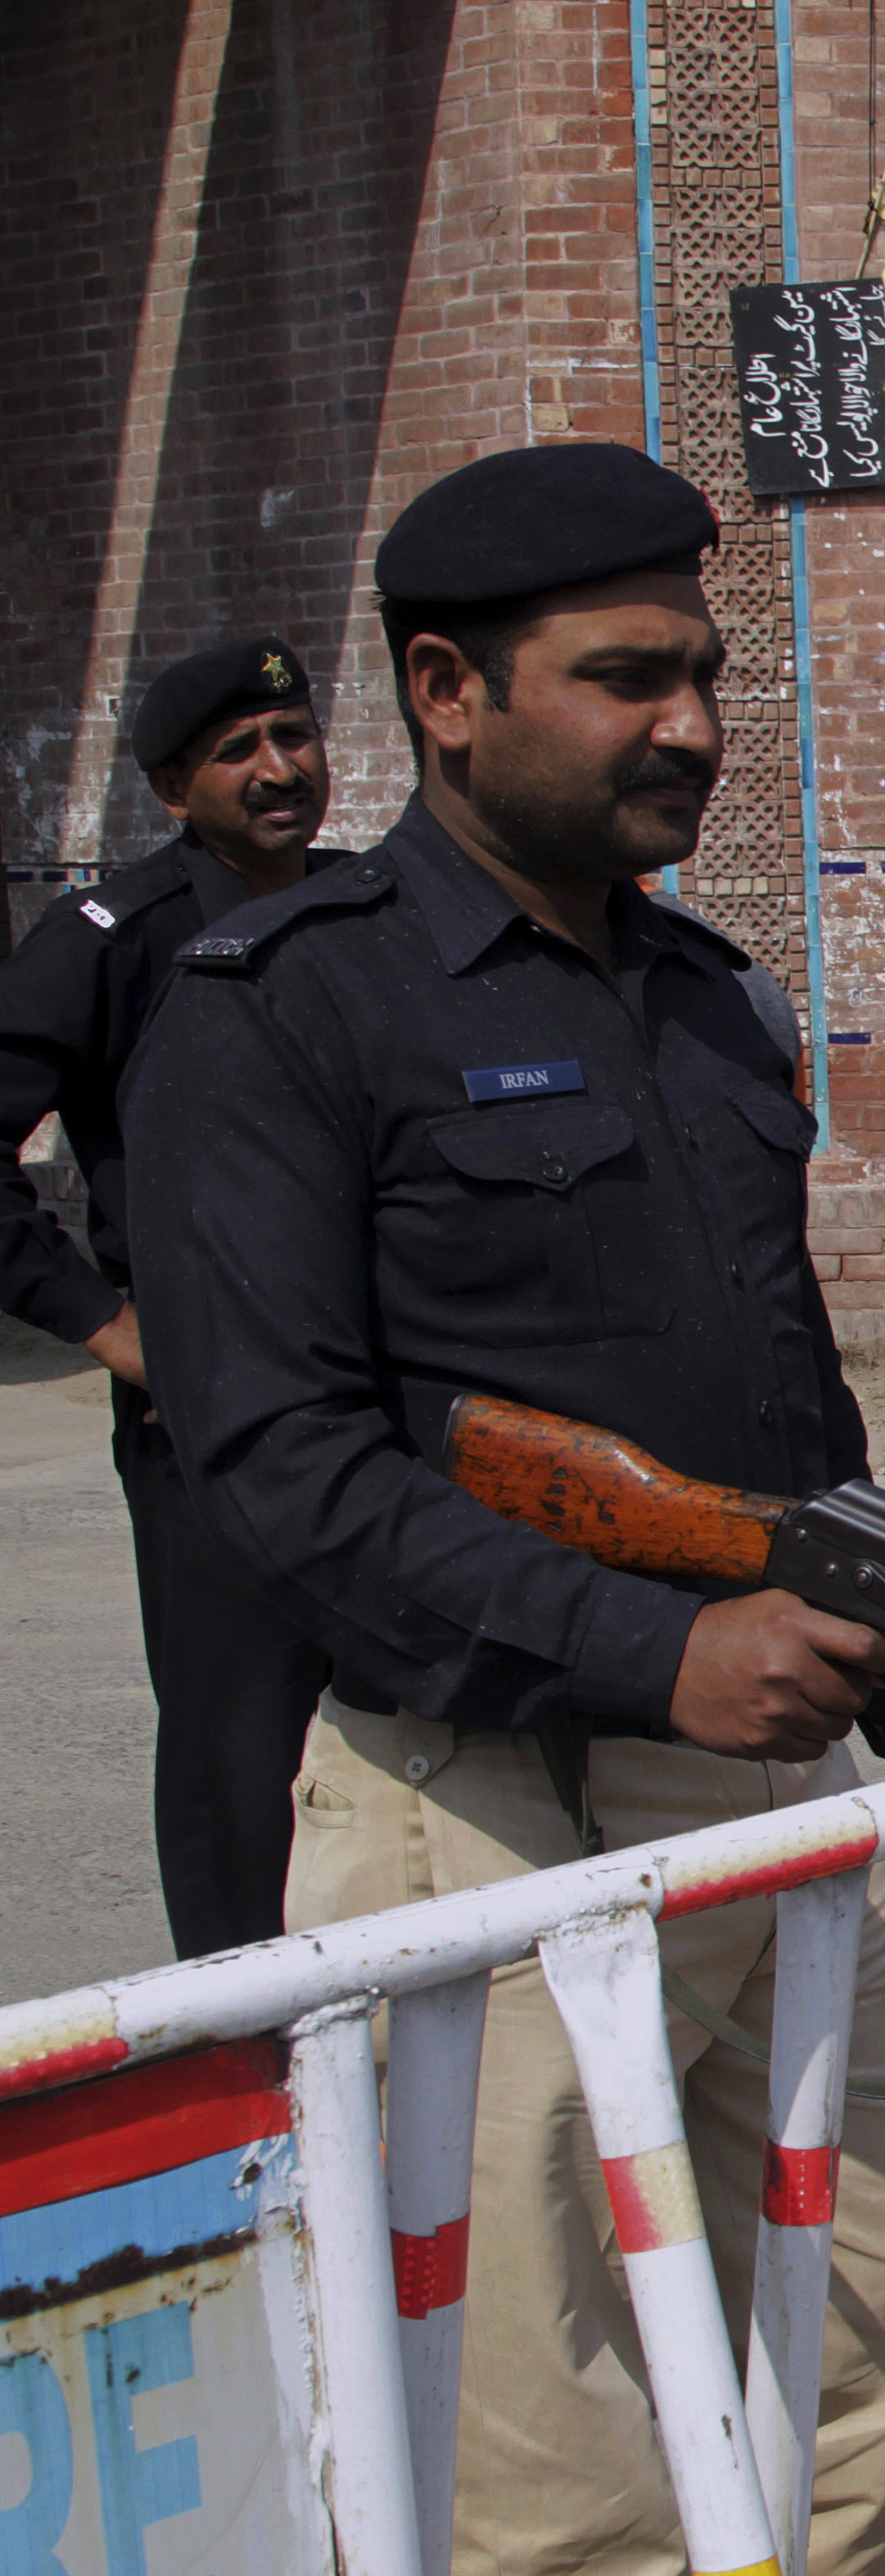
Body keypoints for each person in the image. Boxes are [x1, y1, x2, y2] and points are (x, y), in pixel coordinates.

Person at [124, 443, 885, 2574]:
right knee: (544, 2455)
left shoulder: (710, 1005)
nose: (690, 722)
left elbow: (792, 1409)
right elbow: (277, 1466)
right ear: (445, 691)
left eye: (699, 672)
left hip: (767, 1775)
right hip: (479, 1797)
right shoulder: (285, 1007)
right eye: (625, 679)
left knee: (872, 2343)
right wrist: (651, 1641)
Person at [0, 635, 340, 1955]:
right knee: (239, 1752)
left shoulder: (369, 906)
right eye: (236, 752)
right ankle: (247, 2082)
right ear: (169, 788)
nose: (277, 771)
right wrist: (110, 1330)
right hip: (213, 1412)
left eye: (293, 736)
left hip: (385, 1391)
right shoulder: (112, 938)